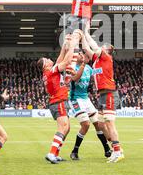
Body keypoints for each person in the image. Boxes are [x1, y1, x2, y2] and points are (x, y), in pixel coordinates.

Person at [80, 25, 124, 163]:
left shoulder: (106, 57)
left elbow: (92, 45)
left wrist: (86, 33)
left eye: (103, 47)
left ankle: (117, 152)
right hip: (102, 95)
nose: (101, 47)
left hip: (109, 93)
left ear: (108, 50)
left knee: (110, 124)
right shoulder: (98, 60)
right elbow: (87, 49)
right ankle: (118, 148)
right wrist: (82, 37)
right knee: (100, 124)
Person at [37, 31, 81, 164]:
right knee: (63, 127)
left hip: (59, 101)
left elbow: (60, 60)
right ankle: (51, 153)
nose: (49, 59)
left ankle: (55, 153)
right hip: (59, 101)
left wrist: (64, 46)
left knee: (66, 128)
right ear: (45, 65)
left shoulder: (49, 71)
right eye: (47, 60)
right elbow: (66, 61)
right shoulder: (51, 71)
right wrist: (72, 45)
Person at [69, 50, 112, 160]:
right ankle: (75, 151)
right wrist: (83, 64)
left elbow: (99, 72)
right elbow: (75, 78)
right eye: (80, 54)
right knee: (86, 124)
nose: (82, 56)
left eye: (84, 55)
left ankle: (107, 149)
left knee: (97, 123)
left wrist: (106, 64)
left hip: (85, 99)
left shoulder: (89, 69)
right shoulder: (72, 67)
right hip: (75, 99)